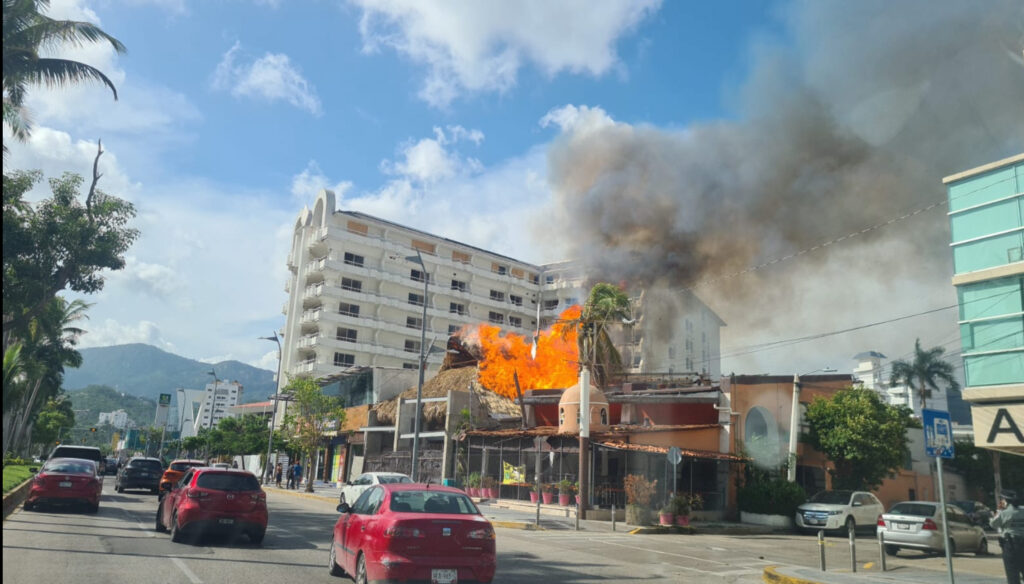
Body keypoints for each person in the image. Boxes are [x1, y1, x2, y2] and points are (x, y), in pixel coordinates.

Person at [992, 490, 1024, 584]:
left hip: (1011, 545)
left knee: (1012, 574)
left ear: (1005, 501)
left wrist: (999, 510)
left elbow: (993, 524)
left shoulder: (1004, 513)